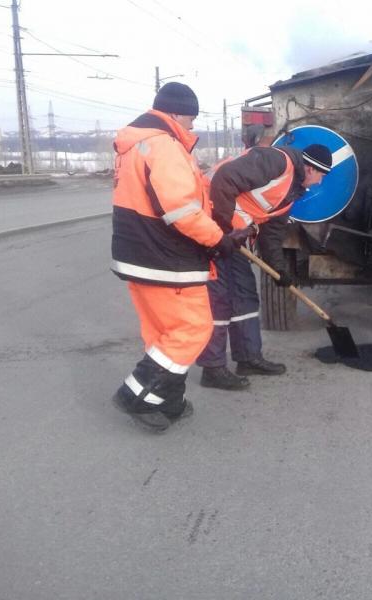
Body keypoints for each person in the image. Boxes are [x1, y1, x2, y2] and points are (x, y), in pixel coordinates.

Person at [110, 82, 242, 431]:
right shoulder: (164, 146)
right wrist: (218, 240)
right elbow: (182, 210)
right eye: (190, 119)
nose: (193, 127)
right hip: (168, 259)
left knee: (163, 333)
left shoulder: (134, 145)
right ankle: (134, 395)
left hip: (139, 255)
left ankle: (167, 399)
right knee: (192, 329)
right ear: (173, 113)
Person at [195, 141, 333, 390]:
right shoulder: (277, 163)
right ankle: (212, 368)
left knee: (245, 295)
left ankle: (248, 358)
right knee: (220, 299)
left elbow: (272, 235)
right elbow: (224, 180)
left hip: (229, 237)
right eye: (321, 175)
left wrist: (280, 270)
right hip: (208, 225)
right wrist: (223, 233)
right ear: (311, 169)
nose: (320, 182)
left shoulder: (290, 194)